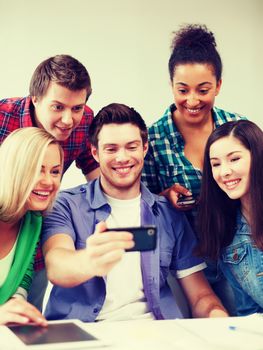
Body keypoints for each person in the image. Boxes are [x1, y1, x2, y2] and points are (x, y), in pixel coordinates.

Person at [41, 103, 228, 321]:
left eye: (131, 147)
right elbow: (57, 266)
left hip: (154, 334)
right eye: (111, 149)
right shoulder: (65, 204)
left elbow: (200, 296)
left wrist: (217, 317)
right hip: (84, 335)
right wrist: (89, 261)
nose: (122, 158)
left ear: (144, 148)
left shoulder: (168, 213)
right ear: (95, 153)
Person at [141, 24, 246, 314]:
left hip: (237, 253)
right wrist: (165, 197)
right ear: (171, 85)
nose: (192, 100)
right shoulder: (154, 138)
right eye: (182, 89)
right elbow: (143, 207)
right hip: (186, 263)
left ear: (219, 86)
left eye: (203, 90)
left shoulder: (237, 129)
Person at [0, 54, 99, 310]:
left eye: (77, 108)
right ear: (35, 98)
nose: (68, 120)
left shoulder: (85, 121)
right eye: (58, 107)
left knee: (22, 314)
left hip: (29, 241)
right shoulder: (3, 117)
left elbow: (98, 175)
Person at [197, 120, 263, 316]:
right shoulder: (227, 235)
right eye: (215, 164)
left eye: (234, 159)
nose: (224, 172)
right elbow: (250, 314)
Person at [0, 127, 63, 325]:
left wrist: (17, 305)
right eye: (38, 169)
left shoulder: (32, 221)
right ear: (14, 169)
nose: (49, 181)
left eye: (55, 171)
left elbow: (22, 277)